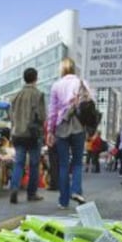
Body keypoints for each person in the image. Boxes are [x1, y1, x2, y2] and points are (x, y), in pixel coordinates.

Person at [47, 57, 91, 209]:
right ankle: (76, 191)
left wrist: (50, 131)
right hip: (78, 125)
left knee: (63, 165)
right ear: (73, 68)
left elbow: (52, 111)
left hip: (61, 126)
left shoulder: (56, 86)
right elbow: (90, 103)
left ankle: (63, 201)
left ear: (62, 69)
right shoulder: (82, 83)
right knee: (78, 162)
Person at [9, 67, 46, 204]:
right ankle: (31, 193)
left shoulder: (16, 95)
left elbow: (11, 115)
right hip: (32, 134)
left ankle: (14, 188)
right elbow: (42, 116)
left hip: (18, 133)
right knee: (34, 164)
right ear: (36, 78)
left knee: (18, 163)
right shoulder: (38, 94)